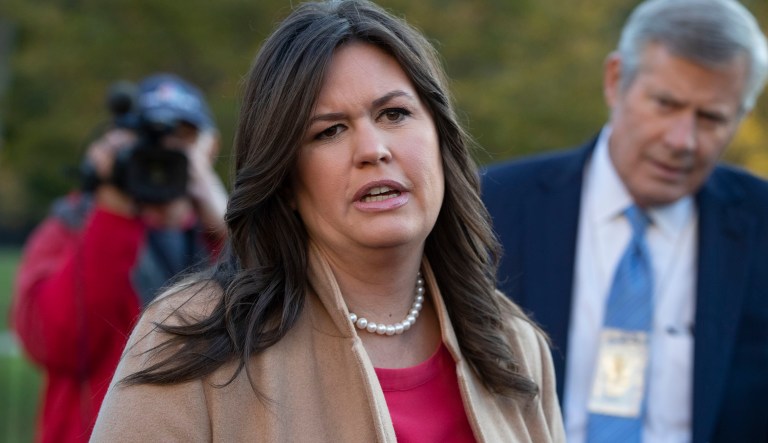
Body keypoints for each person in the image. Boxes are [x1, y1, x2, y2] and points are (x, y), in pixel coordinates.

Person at [89, 1, 565, 441]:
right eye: (330, 131)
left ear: (441, 140)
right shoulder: (189, 340)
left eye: (395, 113)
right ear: (285, 178)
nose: (373, 149)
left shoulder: (513, 345)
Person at [481, 0, 768, 442]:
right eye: (665, 104)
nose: (682, 140)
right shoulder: (491, 206)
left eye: (711, 118)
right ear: (616, 80)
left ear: (741, 117)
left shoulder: (760, 224)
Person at [11, 72, 228, 443]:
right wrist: (113, 212)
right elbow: (57, 345)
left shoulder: (223, 237)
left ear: (210, 149)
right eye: (147, 139)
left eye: (183, 138)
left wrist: (228, 228)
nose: (163, 151)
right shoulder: (72, 226)